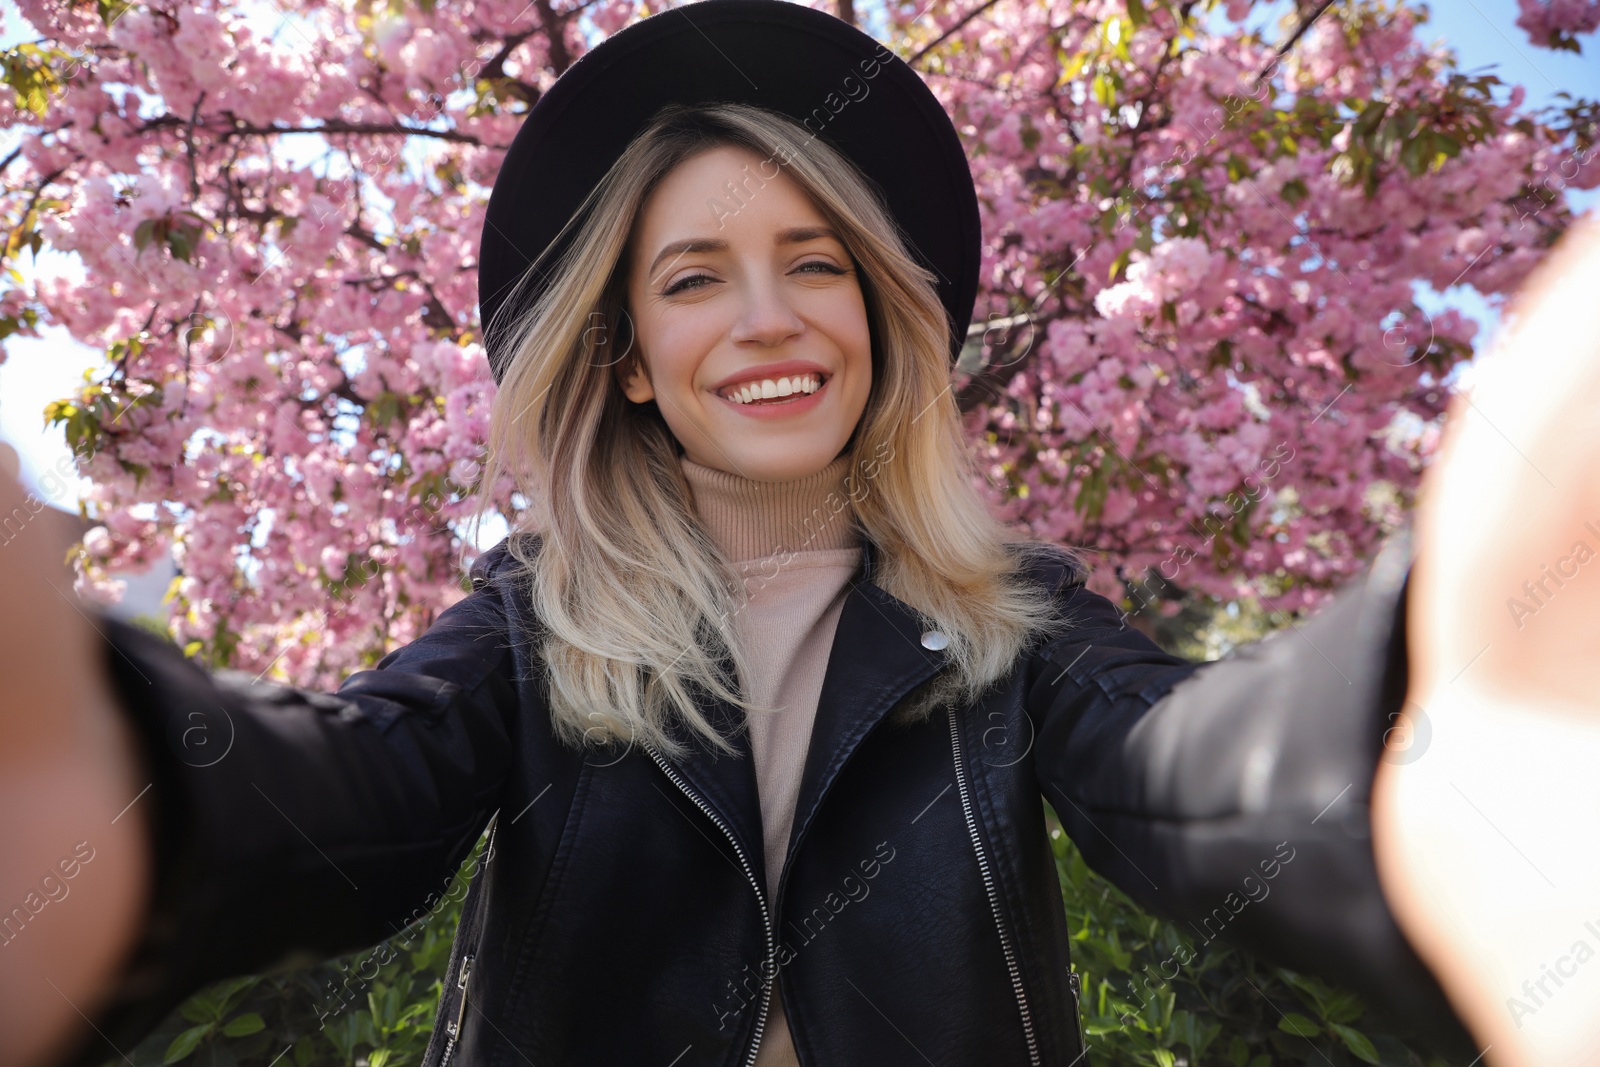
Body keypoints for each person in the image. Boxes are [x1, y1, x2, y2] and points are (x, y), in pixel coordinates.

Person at [1, 2, 1595, 1065]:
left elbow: (1181, 768)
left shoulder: (1012, 614)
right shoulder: (536, 621)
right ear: (623, 358)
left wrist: (1426, 754)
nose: (769, 320)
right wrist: (116, 786)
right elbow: (355, 783)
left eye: (818, 261)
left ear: (883, 314)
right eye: (692, 277)